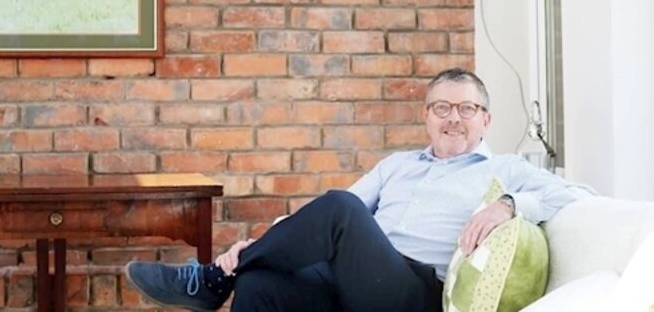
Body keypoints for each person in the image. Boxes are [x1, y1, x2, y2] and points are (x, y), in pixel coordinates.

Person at [126, 68, 596, 312]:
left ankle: (210, 281)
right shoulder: (397, 165)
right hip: (352, 282)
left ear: (486, 120)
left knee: (342, 208)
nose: (454, 118)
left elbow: (580, 194)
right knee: (260, 283)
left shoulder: (507, 168)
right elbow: (324, 223)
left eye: (467, 109)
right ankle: (229, 275)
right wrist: (262, 245)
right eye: (442, 107)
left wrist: (509, 205)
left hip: (412, 294)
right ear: (426, 116)